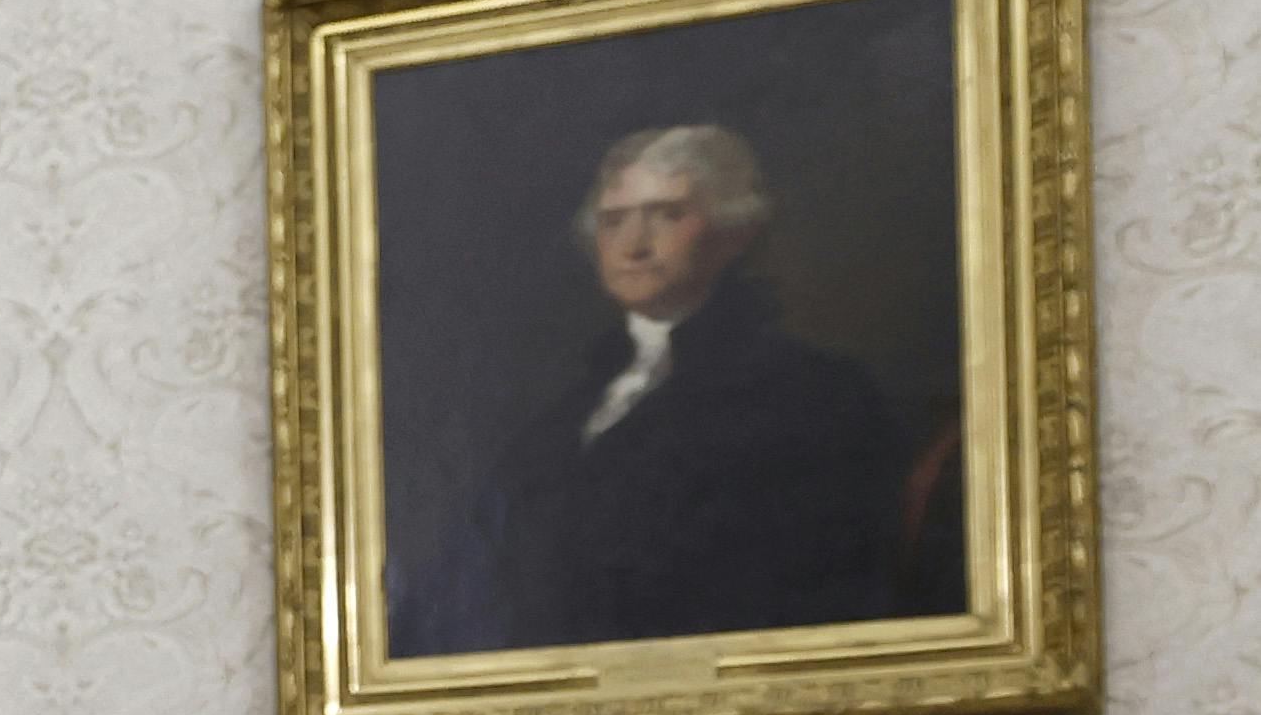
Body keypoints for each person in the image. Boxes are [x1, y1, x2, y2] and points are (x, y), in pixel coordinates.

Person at [395, 122, 930, 657]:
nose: (633, 246)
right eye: (612, 222)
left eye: (669, 215)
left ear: (733, 232)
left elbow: (810, 591)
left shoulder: (814, 394)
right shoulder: (570, 407)